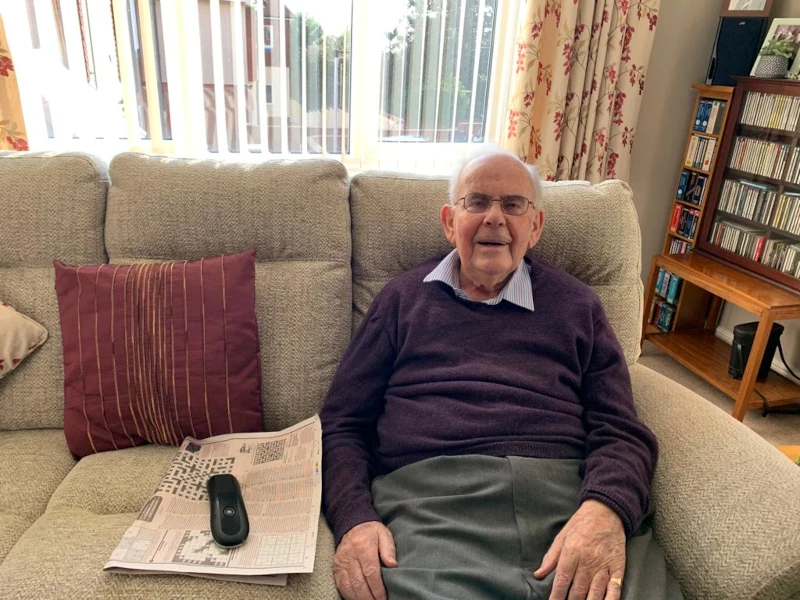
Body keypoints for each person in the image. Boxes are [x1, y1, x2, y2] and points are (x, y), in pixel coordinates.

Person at [320, 150, 683, 600]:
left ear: (536, 227)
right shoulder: (400, 301)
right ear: (450, 221)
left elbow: (621, 428)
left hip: (565, 500)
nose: (494, 217)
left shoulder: (578, 306)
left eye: (513, 205)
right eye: (477, 202)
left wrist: (604, 510)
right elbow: (342, 424)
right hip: (432, 508)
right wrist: (355, 517)